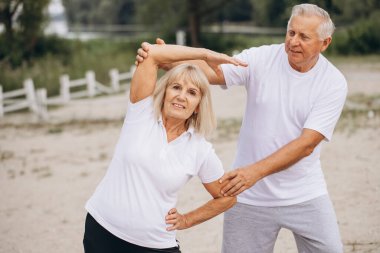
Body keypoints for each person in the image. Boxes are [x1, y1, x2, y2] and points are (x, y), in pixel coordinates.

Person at [136, 3, 347, 253]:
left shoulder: (333, 83)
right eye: (291, 32)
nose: (293, 42)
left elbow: (306, 144)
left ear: (325, 43)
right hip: (248, 198)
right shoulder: (262, 58)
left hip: (305, 194)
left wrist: (253, 173)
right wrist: (168, 57)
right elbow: (214, 73)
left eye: (304, 36)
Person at [83, 43, 247, 253]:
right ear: (166, 91)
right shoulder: (141, 113)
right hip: (102, 231)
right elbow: (152, 54)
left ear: (198, 106)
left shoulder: (200, 149)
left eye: (191, 92)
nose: (181, 96)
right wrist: (206, 55)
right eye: (176, 87)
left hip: (155, 244)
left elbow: (227, 197)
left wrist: (187, 220)